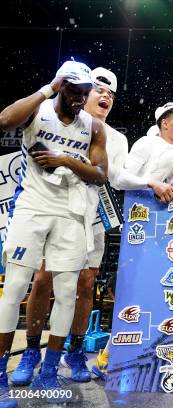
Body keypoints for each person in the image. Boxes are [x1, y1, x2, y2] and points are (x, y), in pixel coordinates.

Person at [0, 60, 108, 406]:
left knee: (66, 292)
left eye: (84, 93)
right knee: (16, 287)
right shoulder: (39, 109)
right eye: (74, 91)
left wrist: (66, 160)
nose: (80, 99)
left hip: (70, 213)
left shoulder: (92, 126)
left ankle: (49, 371)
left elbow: (100, 174)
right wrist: (49, 86)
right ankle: (1, 373)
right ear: (62, 86)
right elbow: (4, 120)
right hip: (31, 206)